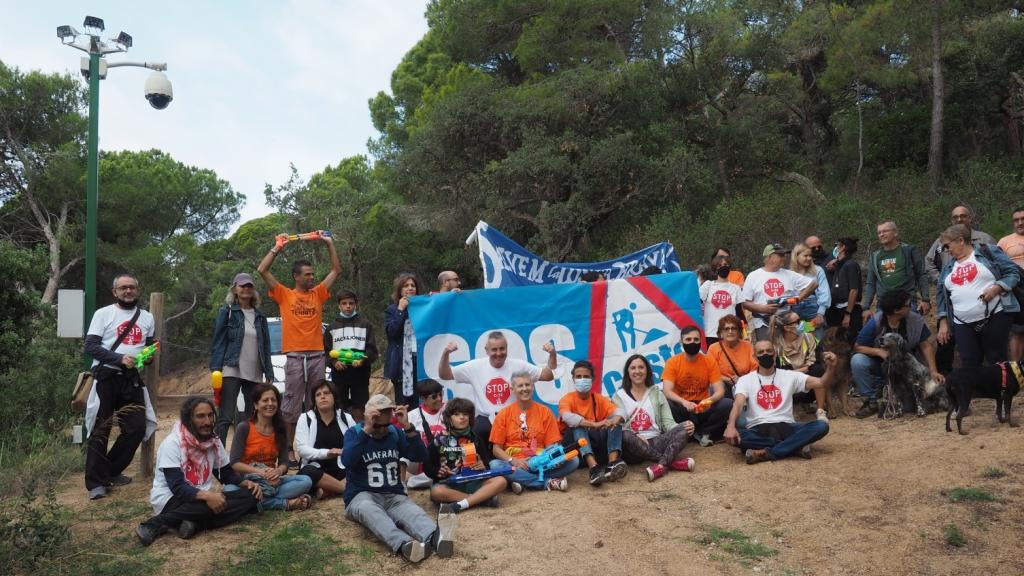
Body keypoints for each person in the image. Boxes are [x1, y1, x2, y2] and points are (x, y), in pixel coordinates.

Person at [257, 233, 341, 467]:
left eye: (313, 274)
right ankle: (289, 453)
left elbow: (336, 270)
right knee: (290, 408)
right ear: (296, 277)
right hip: (294, 357)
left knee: (315, 405)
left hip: (317, 356)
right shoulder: (285, 294)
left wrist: (329, 243)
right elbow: (262, 270)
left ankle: (311, 451)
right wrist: (277, 247)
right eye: (308, 274)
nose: (312, 277)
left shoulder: (318, 293)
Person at [343, 394, 457, 562]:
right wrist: (367, 430)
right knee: (371, 512)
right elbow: (348, 461)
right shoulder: (355, 433)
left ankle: (436, 538)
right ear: (368, 418)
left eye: (386, 425)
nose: (382, 430)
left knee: (414, 514)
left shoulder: (394, 432)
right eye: (377, 426)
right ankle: (406, 545)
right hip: (362, 495)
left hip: (393, 493)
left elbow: (420, 455)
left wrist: (408, 426)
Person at [135, 396, 262, 546]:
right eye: (200, 416)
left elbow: (225, 473)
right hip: (171, 499)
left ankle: (194, 525)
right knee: (210, 506)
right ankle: (154, 523)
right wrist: (208, 496)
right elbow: (178, 488)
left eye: (210, 415)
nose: (207, 422)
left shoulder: (214, 441)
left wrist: (244, 482)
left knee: (251, 495)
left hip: (201, 498)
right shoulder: (172, 443)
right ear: (189, 418)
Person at [84, 272, 158, 500]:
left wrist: (148, 356)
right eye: (123, 288)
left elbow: (148, 350)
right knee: (101, 429)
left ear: (137, 290)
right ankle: (96, 483)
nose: (128, 291)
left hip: (131, 380)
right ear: (115, 292)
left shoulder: (147, 317)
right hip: (106, 377)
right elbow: (91, 346)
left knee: (136, 428)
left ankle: (110, 472)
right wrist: (118, 359)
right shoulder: (103, 314)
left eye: (132, 287)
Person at [723, 340, 838, 464]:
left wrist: (831, 367)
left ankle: (769, 452)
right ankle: (795, 447)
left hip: (787, 426)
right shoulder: (745, 380)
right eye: (761, 352)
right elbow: (738, 404)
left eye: (769, 351)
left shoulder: (790, 376)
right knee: (739, 438)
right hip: (758, 428)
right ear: (755, 357)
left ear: (775, 353)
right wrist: (730, 426)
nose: (765, 354)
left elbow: (822, 383)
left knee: (821, 426)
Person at [438, 331, 557, 443]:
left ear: (507, 348)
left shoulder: (518, 365)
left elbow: (547, 375)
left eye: (502, 349)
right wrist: (445, 353)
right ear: (486, 350)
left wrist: (552, 355)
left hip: (514, 419)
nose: (499, 353)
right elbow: (445, 374)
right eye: (494, 350)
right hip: (485, 420)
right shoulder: (475, 366)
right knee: (477, 435)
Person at [935, 224, 1020, 369]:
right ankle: (976, 392)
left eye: (947, 246)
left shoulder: (987, 252)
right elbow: (941, 294)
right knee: (969, 363)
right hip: (962, 323)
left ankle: (999, 391)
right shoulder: (948, 267)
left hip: (995, 316)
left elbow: (1013, 273)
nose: (946, 251)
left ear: (961, 240)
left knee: (997, 360)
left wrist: (997, 288)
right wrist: (943, 321)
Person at [926, 206, 998, 374]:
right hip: (951, 297)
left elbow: (997, 263)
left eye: (963, 216)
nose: (959, 219)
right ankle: (944, 374)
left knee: (987, 339)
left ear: (970, 218)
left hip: (983, 297)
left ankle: (989, 376)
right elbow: (928, 263)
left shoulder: (984, 238)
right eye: (955, 217)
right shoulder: (941, 241)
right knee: (945, 337)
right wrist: (942, 281)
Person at [851, 289, 943, 418]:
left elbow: (926, 346)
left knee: (908, 408)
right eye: (908, 305)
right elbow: (857, 347)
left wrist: (933, 371)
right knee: (857, 360)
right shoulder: (876, 321)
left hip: (907, 368)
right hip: (880, 364)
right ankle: (871, 401)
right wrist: (878, 351)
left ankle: (910, 399)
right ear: (897, 310)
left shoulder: (915, 320)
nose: (912, 307)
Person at [209, 272, 274, 444]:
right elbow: (218, 341)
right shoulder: (227, 312)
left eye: (249, 286)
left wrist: (269, 371)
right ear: (235, 289)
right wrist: (216, 368)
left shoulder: (260, 316)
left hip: (255, 371)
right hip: (232, 368)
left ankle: (247, 453)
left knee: (252, 415)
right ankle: (219, 458)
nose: (246, 289)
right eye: (242, 285)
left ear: (253, 290)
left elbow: (266, 346)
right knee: (226, 415)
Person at [488, 371, 580, 491]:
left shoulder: (545, 412)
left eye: (528, 385)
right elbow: (496, 449)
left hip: (541, 461)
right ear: (513, 389)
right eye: (520, 386)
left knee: (573, 460)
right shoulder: (503, 414)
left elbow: (551, 445)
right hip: (516, 464)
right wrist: (513, 460)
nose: (525, 388)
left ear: (533, 387)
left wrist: (553, 457)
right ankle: (546, 482)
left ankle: (522, 480)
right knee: (495, 465)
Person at [230, 385, 314, 511]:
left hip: (273, 481)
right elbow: (235, 463)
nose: (270, 404)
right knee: (229, 490)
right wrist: (261, 473)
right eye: (265, 400)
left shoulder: (280, 429)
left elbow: (284, 462)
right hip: (248, 482)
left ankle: (253, 502)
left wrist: (278, 471)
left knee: (306, 481)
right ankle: (286, 504)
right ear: (256, 405)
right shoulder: (244, 427)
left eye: (273, 400)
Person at [613, 355, 695, 482]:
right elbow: (616, 425)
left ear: (647, 371)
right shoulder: (619, 396)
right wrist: (634, 434)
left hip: (656, 441)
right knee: (625, 435)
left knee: (685, 427)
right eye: (633, 368)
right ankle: (670, 462)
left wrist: (683, 428)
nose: (637, 371)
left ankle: (661, 465)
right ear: (627, 372)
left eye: (641, 367)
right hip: (633, 447)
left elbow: (668, 423)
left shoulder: (657, 393)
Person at [424, 397, 508, 511]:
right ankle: (481, 500)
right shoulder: (438, 440)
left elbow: (487, 464)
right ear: (449, 419)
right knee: (436, 492)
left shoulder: (476, 439)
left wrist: (483, 466)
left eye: (465, 414)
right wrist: (438, 472)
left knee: (501, 481)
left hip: (475, 482)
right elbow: (427, 466)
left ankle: (461, 504)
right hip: (450, 484)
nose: (462, 417)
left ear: (470, 417)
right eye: (457, 414)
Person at [558, 360, 628, 487]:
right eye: (578, 377)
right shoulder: (567, 399)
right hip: (575, 450)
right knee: (578, 426)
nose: (582, 379)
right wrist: (595, 424)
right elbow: (568, 417)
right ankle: (593, 469)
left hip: (596, 446)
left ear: (593, 379)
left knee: (616, 423)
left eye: (586, 376)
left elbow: (622, 412)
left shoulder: (598, 398)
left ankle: (612, 465)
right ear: (573, 379)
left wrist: (614, 420)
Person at [661, 326, 734, 445]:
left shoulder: (709, 361)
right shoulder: (672, 362)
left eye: (696, 339)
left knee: (728, 403)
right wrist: (684, 402)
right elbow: (667, 391)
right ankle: (685, 432)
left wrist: (708, 401)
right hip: (682, 406)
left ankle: (702, 432)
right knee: (666, 403)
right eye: (688, 340)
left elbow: (719, 391)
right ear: (681, 342)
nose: (692, 342)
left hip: (702, 406)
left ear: (700, 340)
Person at [742, 243, 818, 341]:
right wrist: (762, 308)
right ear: (769, 257)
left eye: (784, 255)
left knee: (790, 353)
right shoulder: (753, 276)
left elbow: (814, 284)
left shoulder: (789, 274)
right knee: (768, 352)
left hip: (787, 322)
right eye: (780, 255)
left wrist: (797, 299)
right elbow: (744, 302)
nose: (784, 258)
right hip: (764, 322)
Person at [295, 380, 357, 499]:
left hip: (342, 469)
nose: (322, 396)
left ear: (334, 397)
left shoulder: (346, 418)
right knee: (307, 472)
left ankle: (328, 489)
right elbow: (302, 450)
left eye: (326, 393)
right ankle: (345, 489)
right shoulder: (305, 418)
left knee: (361, 466)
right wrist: (327, 453)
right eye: (318, 395)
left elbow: (357, 443)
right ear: (314, 401)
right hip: (317, 470)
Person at [324, 289, 378, 422]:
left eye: (351, 303)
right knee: (339, 405)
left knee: (360, 406)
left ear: (356, 304)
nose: (348, 306)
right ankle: (342, 433)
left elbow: (372, 351)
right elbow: (325, 352)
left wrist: (362, 360)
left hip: (360, 373)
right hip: (339, 373)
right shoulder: (331, 327)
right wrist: (334, 362)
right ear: (339, 305)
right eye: (344, 303)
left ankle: (360, 432)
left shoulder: (365, 324)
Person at [861, 221, 929, 324]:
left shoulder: (908, 251)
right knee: (884, 336)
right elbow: (871, 283)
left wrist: (926, 299)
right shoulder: (875, 256)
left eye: (885, 231)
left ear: (895, 233)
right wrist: (866, 307)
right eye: (879, 232)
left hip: (907, 302)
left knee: (913, 335)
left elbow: (921, 275)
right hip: (884, 304)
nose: (881, 234)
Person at [767, 310, 829, 422]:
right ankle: (791, 409)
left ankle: (820, 410)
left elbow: (814, 361)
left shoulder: (808, 337)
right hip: (788, 384)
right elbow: (776, 372)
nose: (803, 323)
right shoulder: (775, 346)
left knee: (818, 370)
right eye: (798, 321)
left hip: (807, 379)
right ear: (787, 328)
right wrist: (796, 372)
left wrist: (801, 370)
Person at [385, 273, 425, 408]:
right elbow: (392, 333)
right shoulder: (392, 310)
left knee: (421, 401)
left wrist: (451, 294)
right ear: (399, 290)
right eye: (406, 285)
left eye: (413, 285)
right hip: (401, 364)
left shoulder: (424, 308)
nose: (410, 288)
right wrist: (400, 310)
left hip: (421, 360)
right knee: (404, 405)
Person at [406, 378, 448, 489]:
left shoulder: (450, 410)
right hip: (421, 461)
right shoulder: (412, 416)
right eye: (434, 396)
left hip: (445, 459)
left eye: (441, 394)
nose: (439, 399)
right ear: (423, 399)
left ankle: (413, 481)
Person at [706, 315, 757, 398]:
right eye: (726, 329)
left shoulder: (748, 346)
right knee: (714, 387)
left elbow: (755, 368)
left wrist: (742, 379)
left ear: (739, 332)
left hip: (746, 383)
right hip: (724, 385)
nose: (730, 331)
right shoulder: (713, 348)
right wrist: (728, 380)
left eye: (733, 328)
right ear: (721, 333)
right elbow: (709, 372)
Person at [998, 207, 1024, 361]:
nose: (1020, 223)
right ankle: (1016, 372)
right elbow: (996, 266)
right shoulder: (1004, 241)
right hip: (1017, 291)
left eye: (1023, 219)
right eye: (1016, 220)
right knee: (1017, 332)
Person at [699, 256, 744, 347]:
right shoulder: (708, 285)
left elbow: (739, 313)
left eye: (726, 265)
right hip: (711, 333)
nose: (723, 267)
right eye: (720, 265)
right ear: (715, 268)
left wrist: (743, 332)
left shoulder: (736, 288)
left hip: (730, 333)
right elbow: (695, 305)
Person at [824, 237, 863, 340]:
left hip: (849, 310)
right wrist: (836, 261)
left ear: (842, 247)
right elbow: (829, 267)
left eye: (837, 245)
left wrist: (848, 314)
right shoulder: (840, 265)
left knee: (850, 339)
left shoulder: (851, 265)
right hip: (836, 309)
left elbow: (854, 290)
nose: (836, 248)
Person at [790, 242, 831, 339]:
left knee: (817, 339)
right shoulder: (790, 273)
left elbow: (824, 292)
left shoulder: (818, 270)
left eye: (810, 256)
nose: (809, 258)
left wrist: (821, 313)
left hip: (813, 308)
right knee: (797, 337)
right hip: (795, 309)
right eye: (805, 256)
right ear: (796, 256)